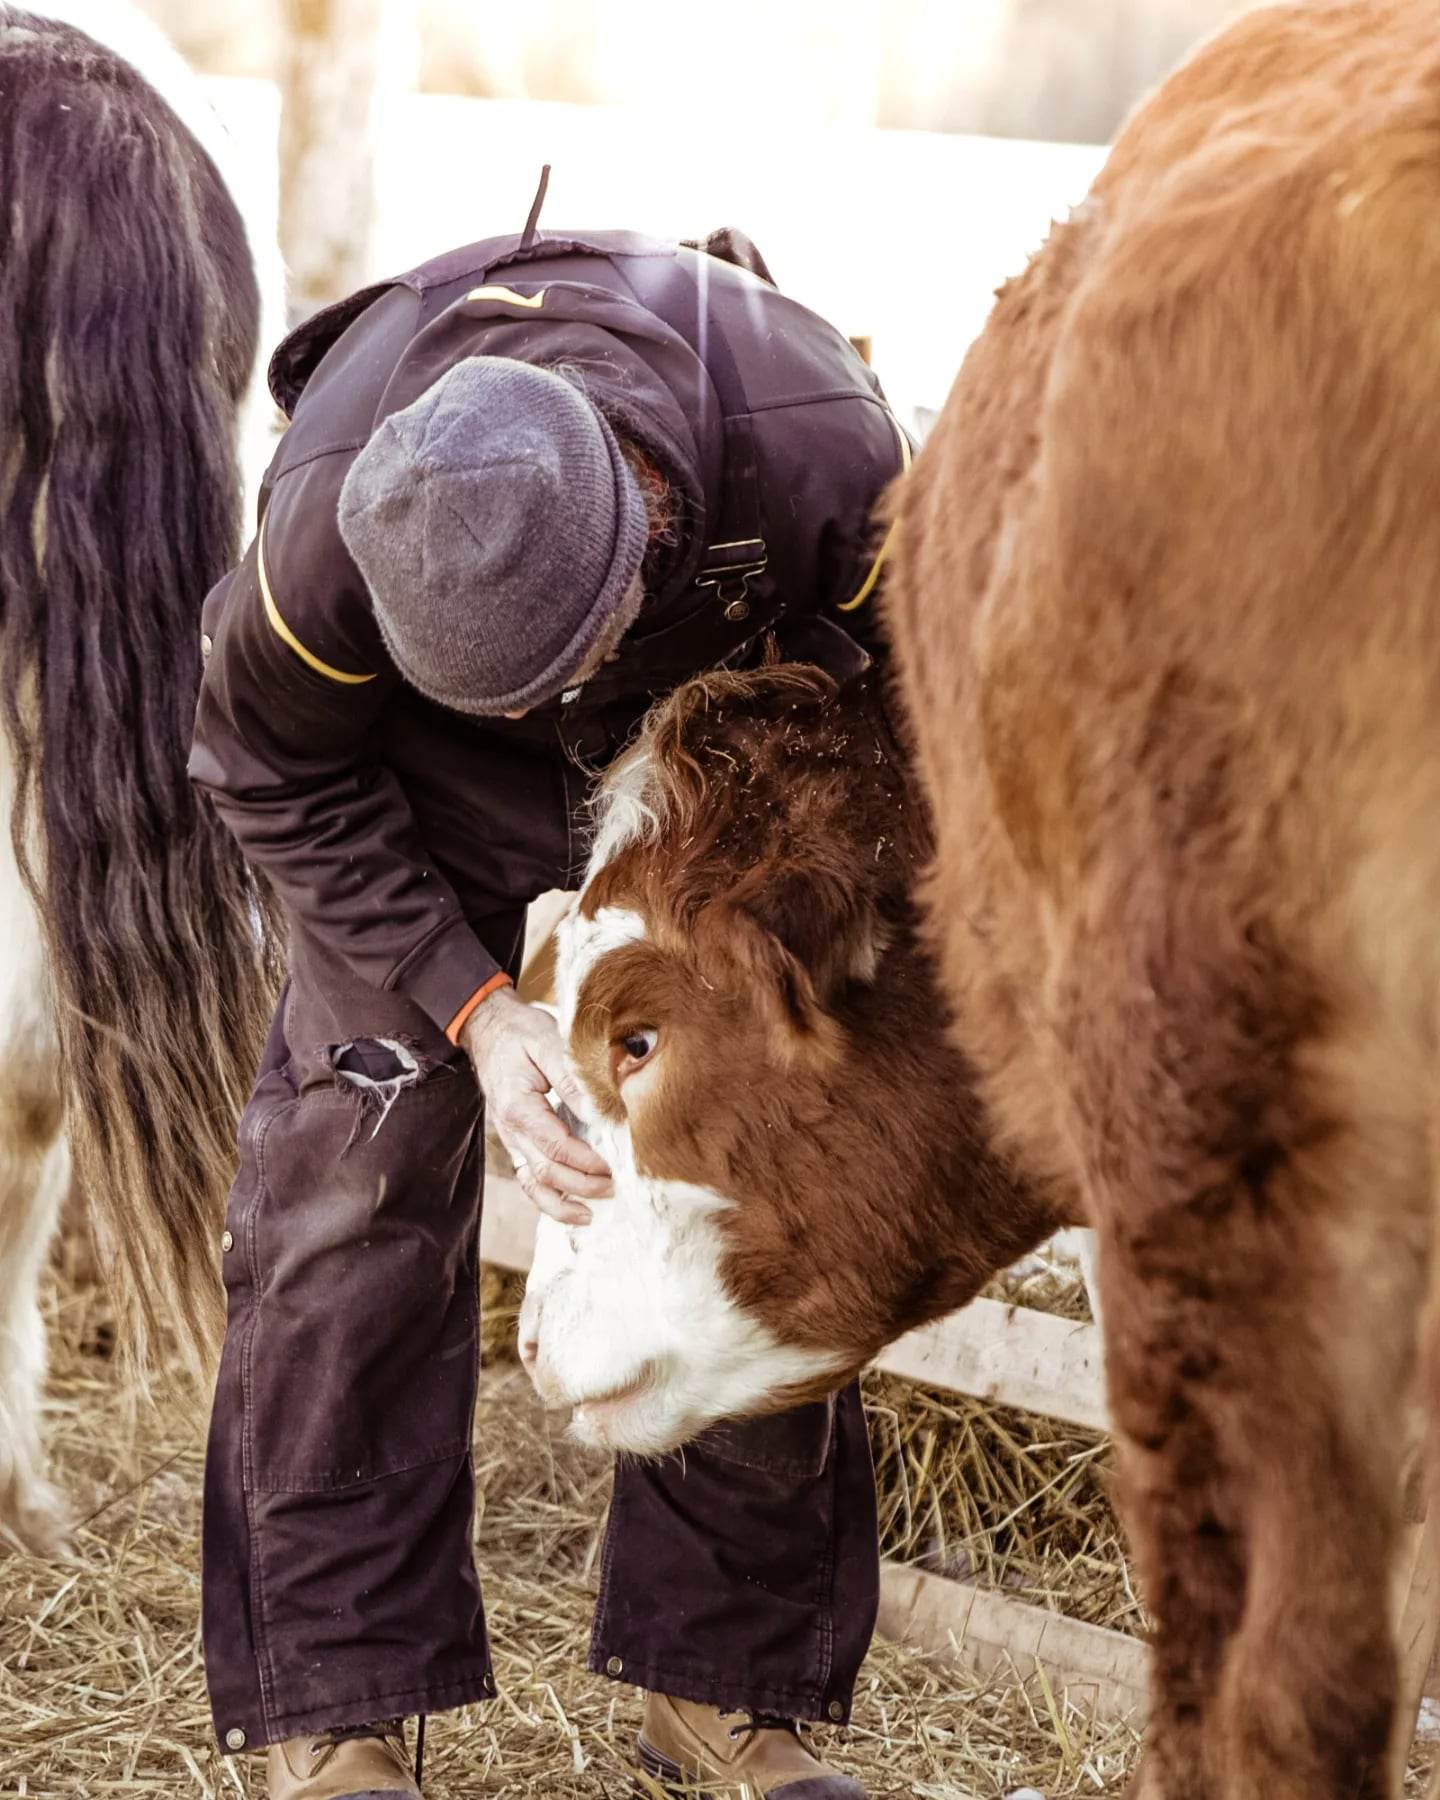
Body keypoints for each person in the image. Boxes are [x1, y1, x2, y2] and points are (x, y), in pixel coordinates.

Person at [189, 201, 911, 1800]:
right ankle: (333, 1710)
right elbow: (263, 765)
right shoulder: (320, 536)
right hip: (415, 787)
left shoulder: (824, 455)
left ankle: (721, 1688)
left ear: (646, 521)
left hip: (706, 751)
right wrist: (480, 1013)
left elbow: (921, 713)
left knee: (741, 1171)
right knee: (349, 1180)